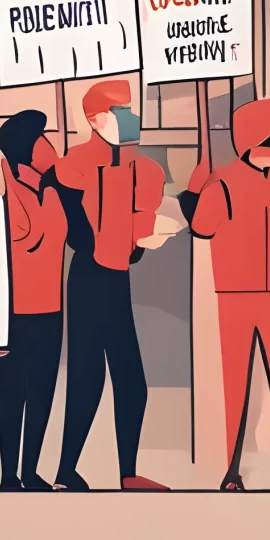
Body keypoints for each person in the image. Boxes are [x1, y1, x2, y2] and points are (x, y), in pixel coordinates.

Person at [185, 95, 270, 492]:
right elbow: (202, 228)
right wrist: (197, 188)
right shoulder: (222, 182)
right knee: (235, 382)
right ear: (266, 134)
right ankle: (231, 471)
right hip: (236, 294)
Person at [53, 79, 172, 491]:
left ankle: (122, 472)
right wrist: (121, 240)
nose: (130, 117)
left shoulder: (146, 169)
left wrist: (141, 239)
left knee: (128, 380)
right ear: (94, 119)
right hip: (90, 276)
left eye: (130, 109)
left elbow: (140, 227)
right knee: (90, 377)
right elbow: (76, 232)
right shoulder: (74, 164)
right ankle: (70, 471)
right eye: (119, 111)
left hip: (116, 275)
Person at [0, 110, 68, 492]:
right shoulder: (7, 201)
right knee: (12, 392)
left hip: (50, 311)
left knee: (42, 393)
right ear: (28, 148)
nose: (50, 143)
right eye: (43, 137)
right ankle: (8, 475)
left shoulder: (53, 191)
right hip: (14, 314)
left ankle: (31, 470)